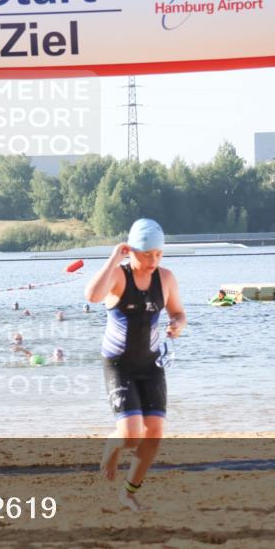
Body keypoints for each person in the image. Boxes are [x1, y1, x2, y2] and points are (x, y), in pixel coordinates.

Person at [84, 218, 187, 512]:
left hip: (151, 364)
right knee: (130, 436)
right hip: (119, 364)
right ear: (131, 251)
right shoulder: (118, 276)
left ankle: (129, 492)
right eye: (146, 254)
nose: (153, 260)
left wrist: (178, 324)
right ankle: (112, 445)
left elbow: (179, 312)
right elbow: (91, 296)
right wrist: (113, 258)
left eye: (158, 254)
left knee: (154, 430)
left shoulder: (165, 278)